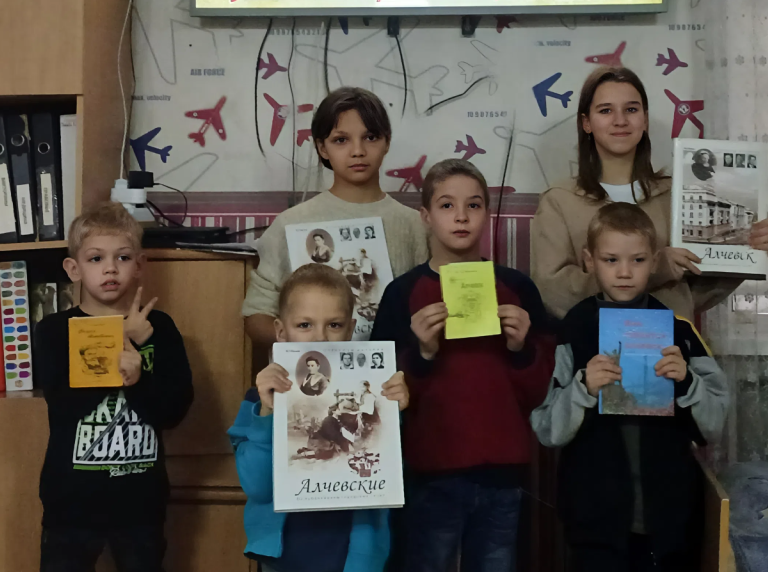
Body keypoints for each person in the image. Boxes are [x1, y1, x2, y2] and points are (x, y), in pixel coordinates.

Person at [372, 159, 554, 572]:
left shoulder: (517, 289)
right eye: (446, 205)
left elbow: (541, 393)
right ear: (425, 216)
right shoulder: (402, 294)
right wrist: (423, 354)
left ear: (486, 214)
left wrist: (520, 349)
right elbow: (382, 399)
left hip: (504, 473)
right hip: (431, 471)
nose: (460, 216)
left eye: (473, 205)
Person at [531, 203, 728, 572]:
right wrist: (583, 388)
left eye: (637, 260)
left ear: (654, 262)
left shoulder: (679, 330)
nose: (624, 272)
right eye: (611, 260)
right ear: (589, 261)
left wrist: (687, 381)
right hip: (594, 523)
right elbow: (547, 429)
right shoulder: (573, 329)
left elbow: (714, 424)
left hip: (670, 521)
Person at [530, 66, 768, 320]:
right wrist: (653, 271)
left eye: (631, 110)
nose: (620, 120)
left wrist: (746, 253)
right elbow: (551, 293)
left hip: (670, 341)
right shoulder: (559, 201)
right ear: (586, 123)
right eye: (605, 110)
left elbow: (692, 294)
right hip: (592, 342)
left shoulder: (676, 195)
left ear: (645, 120)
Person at [35, 202, 193, 572]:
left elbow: (173, 411)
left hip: (140, 502)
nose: (110, 268)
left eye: (122, 257)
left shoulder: (160, 329)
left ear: (139, 265)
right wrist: (124, 341)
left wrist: (139, 375)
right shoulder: (54, 330)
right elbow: (65, 404)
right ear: (73, 269)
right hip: (70, 501)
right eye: (96, 258)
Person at [230, 264, 409, 572]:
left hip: (355, 557)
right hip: (284, 558)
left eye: (334, 325)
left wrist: (394, 414)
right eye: (304, 325)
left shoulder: (378, 393)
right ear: (281, 332)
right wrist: (268, 413)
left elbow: (391, 476)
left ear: (350, 329)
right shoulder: (258, 402)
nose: (320, 337)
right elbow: (258, 487)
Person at [242, 87, 430, 347]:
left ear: (386, 142)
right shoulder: (290, 224)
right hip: (314, 369)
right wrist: (305, 344)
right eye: (341, 140)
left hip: (398, 369)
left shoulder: (417, 225)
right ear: (322, 147)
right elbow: (257, 315)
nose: (357, 151)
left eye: (370, 137)